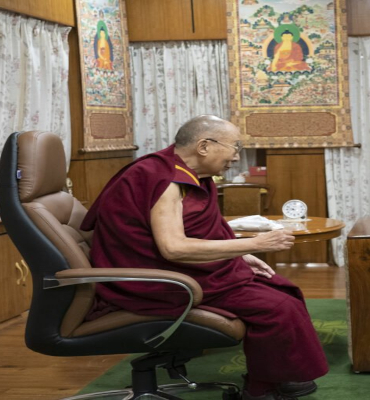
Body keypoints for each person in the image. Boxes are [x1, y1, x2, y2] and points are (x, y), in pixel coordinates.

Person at [81, 115, 328, 400]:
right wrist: (255, 243)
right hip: (158, 281)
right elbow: (173, 248)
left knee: (280, 288)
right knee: (275, 308)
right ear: (204, 146)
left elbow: (198, 230)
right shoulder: (165, 180)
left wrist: (243, 255)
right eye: (234, 147)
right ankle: (261, 389)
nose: (236, 156)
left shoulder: (189, 174)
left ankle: (283, 374)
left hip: (181, 270)